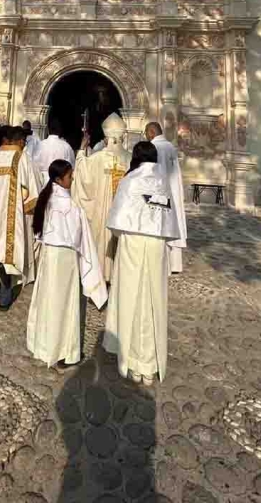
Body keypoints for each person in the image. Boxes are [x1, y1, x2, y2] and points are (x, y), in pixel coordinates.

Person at [103, 141, 185, 385]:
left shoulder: (130, 180)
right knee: (153, 300)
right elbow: (170, 219)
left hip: (133, 242)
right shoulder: (163, 181)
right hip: (157, 244)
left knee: (130, 296)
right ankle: (148, 364)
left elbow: (116, 222)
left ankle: (128, 360)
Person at [27, 159, 107, 366]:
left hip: (49, 256)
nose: (72, 180)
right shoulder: (69, 206)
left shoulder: (47, 199)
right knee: (63, 306)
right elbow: (78, 237)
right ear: (58, 179)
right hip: (64, 259)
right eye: (70, 176)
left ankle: (43, 345)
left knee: (48, 301)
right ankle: (61, 352)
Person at [0, 126, 41, 311]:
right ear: (19, 141)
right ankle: (6, 291)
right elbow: (33, 193)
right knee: (11, 254)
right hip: (14, 219)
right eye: (23, 142)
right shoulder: (22, 159)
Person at [72, 113, 131, 282]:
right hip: (122, 213)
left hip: (101, 214)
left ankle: (100, 276)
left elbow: (82, 173)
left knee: (101, 240)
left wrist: (82, 149)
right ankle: (118, 277)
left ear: (106, 138)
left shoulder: (96, 158)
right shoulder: (129, 158)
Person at [145, 121, 187, 273]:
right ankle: (175, 265)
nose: (146, 136)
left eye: (146, 133)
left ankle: (163, 266)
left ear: (151, 132)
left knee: (161, 225)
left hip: (160, 192)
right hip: (173, 191)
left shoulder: (153, 147)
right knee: (173, 223)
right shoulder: (170, 146)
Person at [33, 118, 75, 186]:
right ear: (60, 130)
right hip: (60, 182)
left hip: (42, 182)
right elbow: (71, 166)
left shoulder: (40, 145)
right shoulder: (66, 146)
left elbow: (34, 164)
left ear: (48, 130)